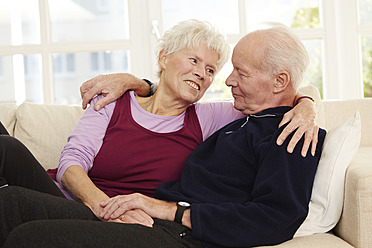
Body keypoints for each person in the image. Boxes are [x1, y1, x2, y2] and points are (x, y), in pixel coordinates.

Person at [0, 23, 326, 248]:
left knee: (28, 235)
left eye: (237, 72)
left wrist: (306, 104)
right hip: (136, 215)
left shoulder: (289, 132)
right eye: (195, 61)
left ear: (279, 81)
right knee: (8, 199)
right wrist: (135, 82)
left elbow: (276, 216)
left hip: (171, 230)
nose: (226, 81)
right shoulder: (247, 119)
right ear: (164, 58)